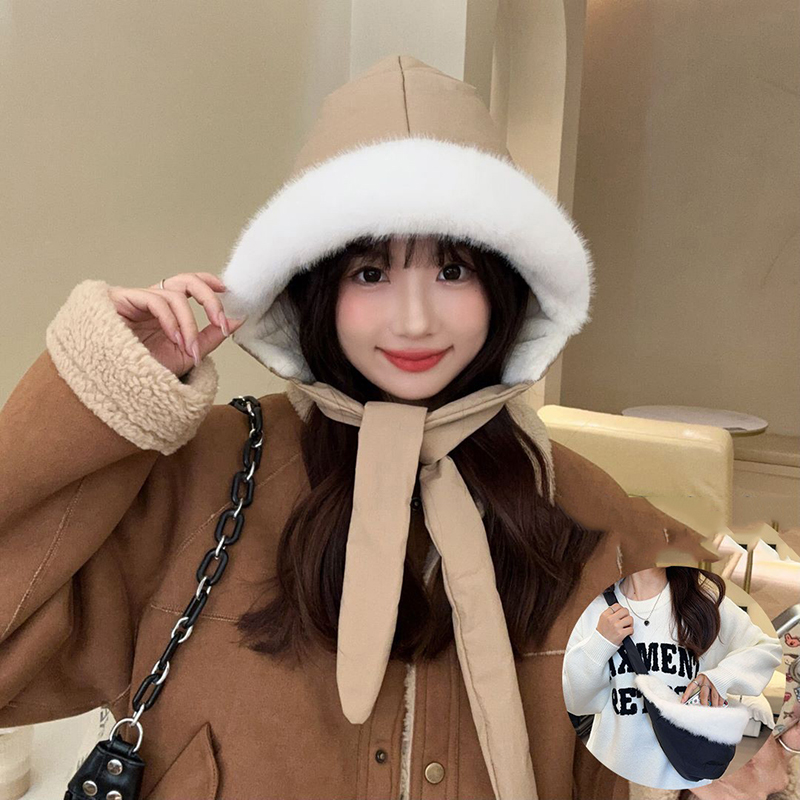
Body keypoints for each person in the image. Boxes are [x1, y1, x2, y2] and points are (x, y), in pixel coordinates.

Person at [0, 55, 716, 800]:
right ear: (315, 288)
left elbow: (673, 732)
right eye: (371, 273)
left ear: (506, 284)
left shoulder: (585, 508)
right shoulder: (206, 477)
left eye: (453, 270)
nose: (414, 319)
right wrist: (107, 392)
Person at [562, 567, 783, 790]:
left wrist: (720, 677)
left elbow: (766, 648)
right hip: (613, 775)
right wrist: (601, 642)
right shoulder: (592, 610)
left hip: (686, 778)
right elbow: (576, 704)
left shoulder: (703, 600)